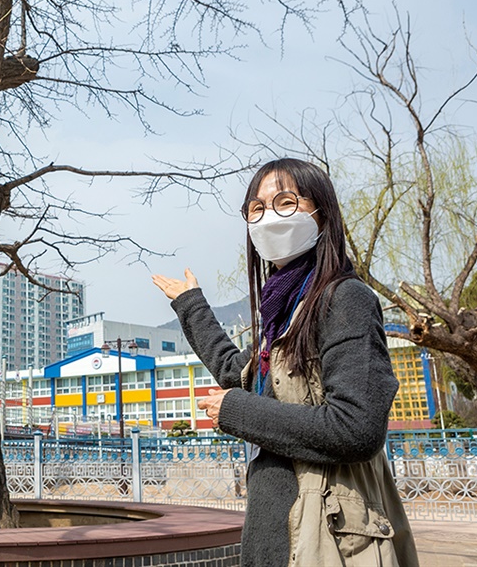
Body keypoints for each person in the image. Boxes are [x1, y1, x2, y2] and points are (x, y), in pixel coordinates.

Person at [151, 158, 418, 567]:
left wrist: (236, 410)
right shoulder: (284, 312)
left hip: (327, 537)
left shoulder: (345, 299)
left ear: (322, 213)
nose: (268, 218)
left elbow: (357, 427)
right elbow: (237, 374)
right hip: (276, 531)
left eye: (285, 202)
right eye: (256, 209)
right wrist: (191, 304)